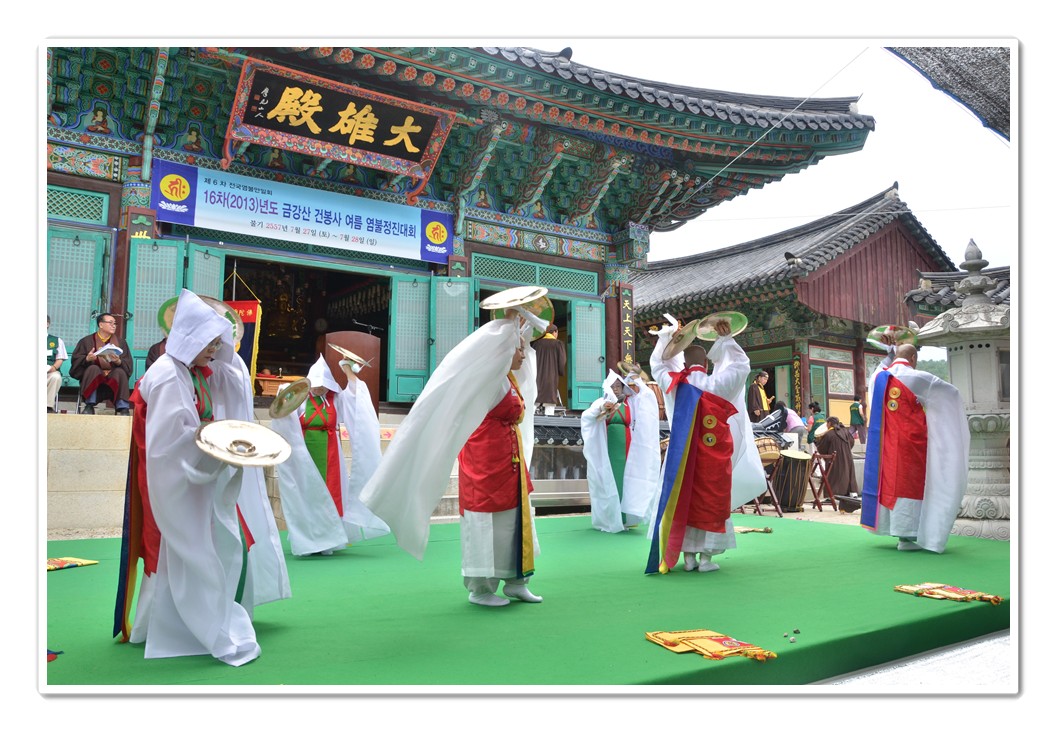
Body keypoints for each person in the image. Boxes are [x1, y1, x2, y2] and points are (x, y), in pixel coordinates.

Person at [112, 290, 274, 666]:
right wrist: (217, 445)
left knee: (210, 539)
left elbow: (230, 380)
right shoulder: (169, 375)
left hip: (194, 468)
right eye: (210, 343)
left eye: (218, 343)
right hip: (172, 473)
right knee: (177, 543)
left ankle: (196, 616)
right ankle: (182, 626)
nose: (216, 350)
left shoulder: (192, 370)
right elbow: (174, 439)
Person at [360, 304, 544, 607]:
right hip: (485, 462)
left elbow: (526, 372)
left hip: (509, 462)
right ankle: (480, 588)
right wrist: (508, 331)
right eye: (519, 349)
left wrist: (518, 325)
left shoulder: (508, 378)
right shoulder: (483, 379)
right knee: (485, 523)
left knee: (512, 522)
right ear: (503, 350)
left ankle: (516, 581)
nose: (524, 355)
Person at [645, 314, 764, 574]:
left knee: (684, 499)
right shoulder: (717, 383)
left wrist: (667, 339)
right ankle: (706, 558)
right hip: (713, 456)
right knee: (711, 500)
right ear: (707, 364)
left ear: (684, 363)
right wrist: (726, 340)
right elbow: (742, 365)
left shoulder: (675, 384)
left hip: (683, 455)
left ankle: (688, 557)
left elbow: (657, 365)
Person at [272, 354, 389, 556]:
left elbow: (357, 400)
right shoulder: (300, 399)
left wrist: (348, 370)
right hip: (304, 453)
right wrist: (285, 394)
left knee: (330, 494)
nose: (319, 389)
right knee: (307, 494)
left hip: (330, 453)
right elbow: (283, 414)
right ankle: (309, 540)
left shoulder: (336, 399)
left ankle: (330, 541)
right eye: (316, 385)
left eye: (323, 386)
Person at [861, 339, 970, 553]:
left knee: (890, 483)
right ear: (913, 358)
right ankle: (908, 535)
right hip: (911, 442)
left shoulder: (878, 377)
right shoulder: (918, 377)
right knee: (909, 482)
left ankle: (891, 528)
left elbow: (880, 370)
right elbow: (950, 394)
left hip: (885, 445)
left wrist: (889, 353)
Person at [579, 368, 660, 532]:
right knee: (612, 481)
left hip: (628, 447)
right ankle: (611, 519)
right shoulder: (601, 402)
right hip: (609, 448)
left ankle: (626, 519)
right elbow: (587, 417)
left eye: (619, 386)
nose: (616, 389)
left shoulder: (631, 403)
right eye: (613, 386)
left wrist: (638, 380)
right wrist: (602, 408)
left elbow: (648, 399)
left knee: (626, 481)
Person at [69, 313, 133, 415]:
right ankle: (89, 405)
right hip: (94, 379)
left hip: (113, 379)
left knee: (120, 372)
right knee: (93, 368)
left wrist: (118, 361)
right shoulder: (86, 341)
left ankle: (123, 407)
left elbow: (128, 364)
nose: (114, 325)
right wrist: (87, 359)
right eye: (110, 323)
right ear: (101, 324)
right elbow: (76, 363)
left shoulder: (121, 342)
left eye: (115, 323)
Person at [813, 416, 859, 498]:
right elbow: (852, 442)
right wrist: (846, 450)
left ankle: (833, 494)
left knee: (834, 476)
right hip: (847, 456)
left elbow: (822, 448)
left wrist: (818, 443)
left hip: (834, 459)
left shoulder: (829, 434)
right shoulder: (845, 431)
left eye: (827, 423)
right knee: (848, 473)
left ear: (829, 423)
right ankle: (850, 492)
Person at [533, 323, 566, 411]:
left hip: (537, 377)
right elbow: (562, 361)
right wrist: (561, 371)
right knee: (549, 403)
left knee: (534, 401)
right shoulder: (558, 344)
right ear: (555, 332)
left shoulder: (536, 344)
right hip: (551, 378)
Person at [45, 315, 68, 413]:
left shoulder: (57, 341)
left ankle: (47, 406)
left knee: (56, 377)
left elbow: (60, 359)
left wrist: (53, 368)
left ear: (47, 324)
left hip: (48, 372)